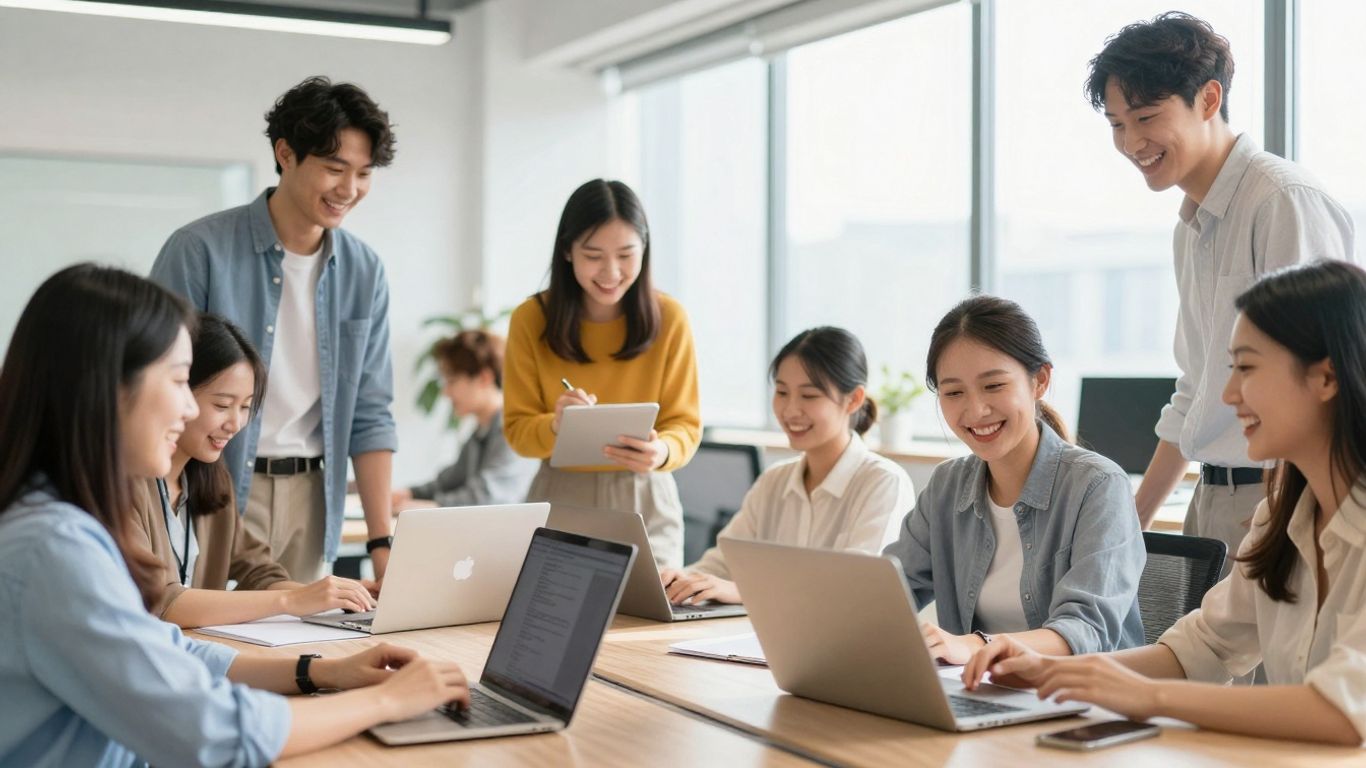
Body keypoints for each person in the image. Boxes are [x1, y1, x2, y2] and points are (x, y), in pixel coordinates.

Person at [0, 264, 468, 766]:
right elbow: (212, 732)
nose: (186, 410)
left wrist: (326, 671)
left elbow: (168, 653)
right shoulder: (54, 548)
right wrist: (386, 700)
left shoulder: (64, 520)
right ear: (106, 386)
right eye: (180, 381)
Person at [967, 262, 1366, 747]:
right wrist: (1055, 672)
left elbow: (1345, 710)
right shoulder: (1281, 519)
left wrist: (1148, 698)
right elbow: (1202, 648)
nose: (1228, 394)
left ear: (1325, 377)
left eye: (1247, 367)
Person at [1088, 13, 1355, 567]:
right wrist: (1132, 524)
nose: (1131, 141)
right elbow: (1196, 389)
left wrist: (1287, 520)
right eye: (1116, 124)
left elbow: (1323, 379)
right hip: (1210, 499)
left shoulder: (1281, 200)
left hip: (1281, 497)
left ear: (1209, 99)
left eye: (1146, 116)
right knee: (1192, 652)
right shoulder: (1191, 229)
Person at [151, 76, 401, 584]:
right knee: (201, 638)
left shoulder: (365, 270)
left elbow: (371, 414)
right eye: (334, 168)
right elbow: (151, 384)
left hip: (314, 494)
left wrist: (382, 541)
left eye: (363, 173)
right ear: (285, 154)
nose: (349, 190)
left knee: (296, 648)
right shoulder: (199, 251)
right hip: (213, 480)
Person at [886, 296, 1145, 665]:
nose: (975, 410)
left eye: (993, 386)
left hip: (1084, 700)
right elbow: (888, 594)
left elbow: (1085, 628)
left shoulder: (1097, 485)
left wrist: (977, 646)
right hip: (982, 694)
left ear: (1039, 381)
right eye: (954, 392)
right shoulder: (947, 486)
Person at [132, 313, 379, 628]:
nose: (235, 424)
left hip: (199, 655)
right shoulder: (128, 482)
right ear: (179, 394)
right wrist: (291, 601)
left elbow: (258, 570)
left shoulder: (211, 478)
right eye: (222, 405)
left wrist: (331, 596)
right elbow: (160, 601)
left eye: (246, 407)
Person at [503, 179, 701, 569]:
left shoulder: (670, 319)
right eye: (593, 255)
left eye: (627, 254)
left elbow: (686, 425)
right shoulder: (531, 320)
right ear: (567, 252)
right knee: (553, 621)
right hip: (561, 496)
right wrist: (558, 424)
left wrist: (661, 452)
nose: (611, 271)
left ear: (645, 250)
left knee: (651, 628)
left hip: (645, 496)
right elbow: (518, 432)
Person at [660, 327, 913, 605]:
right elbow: (722, 565)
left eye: (809, 396)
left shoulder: (883, 482)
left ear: (853, 399)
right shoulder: (774, 480)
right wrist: (678, 580)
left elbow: (854, 589)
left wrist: (744, 592)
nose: (790, 410)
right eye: (782, 392)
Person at [392, 330, 537, 512]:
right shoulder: (481, 431)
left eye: (452, 381)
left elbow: (487, 497)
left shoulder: (511, 430)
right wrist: (409, 494)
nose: (445, 392)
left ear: (484, 377)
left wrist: (430, 506)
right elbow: (450, 480)